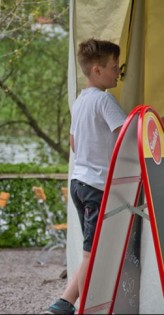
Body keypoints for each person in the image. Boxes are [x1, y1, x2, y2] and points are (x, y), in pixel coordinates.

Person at [44, 38, 127, 314]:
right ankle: (65, 304)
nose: (118, 72)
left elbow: (73, 142)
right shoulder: (105, 100)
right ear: (96, 70)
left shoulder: (80, 101)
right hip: (97, 186)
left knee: (94, 247)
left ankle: (80, 302)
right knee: (91, 252)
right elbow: (127, 139)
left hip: (79, 183)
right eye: (115, 67)